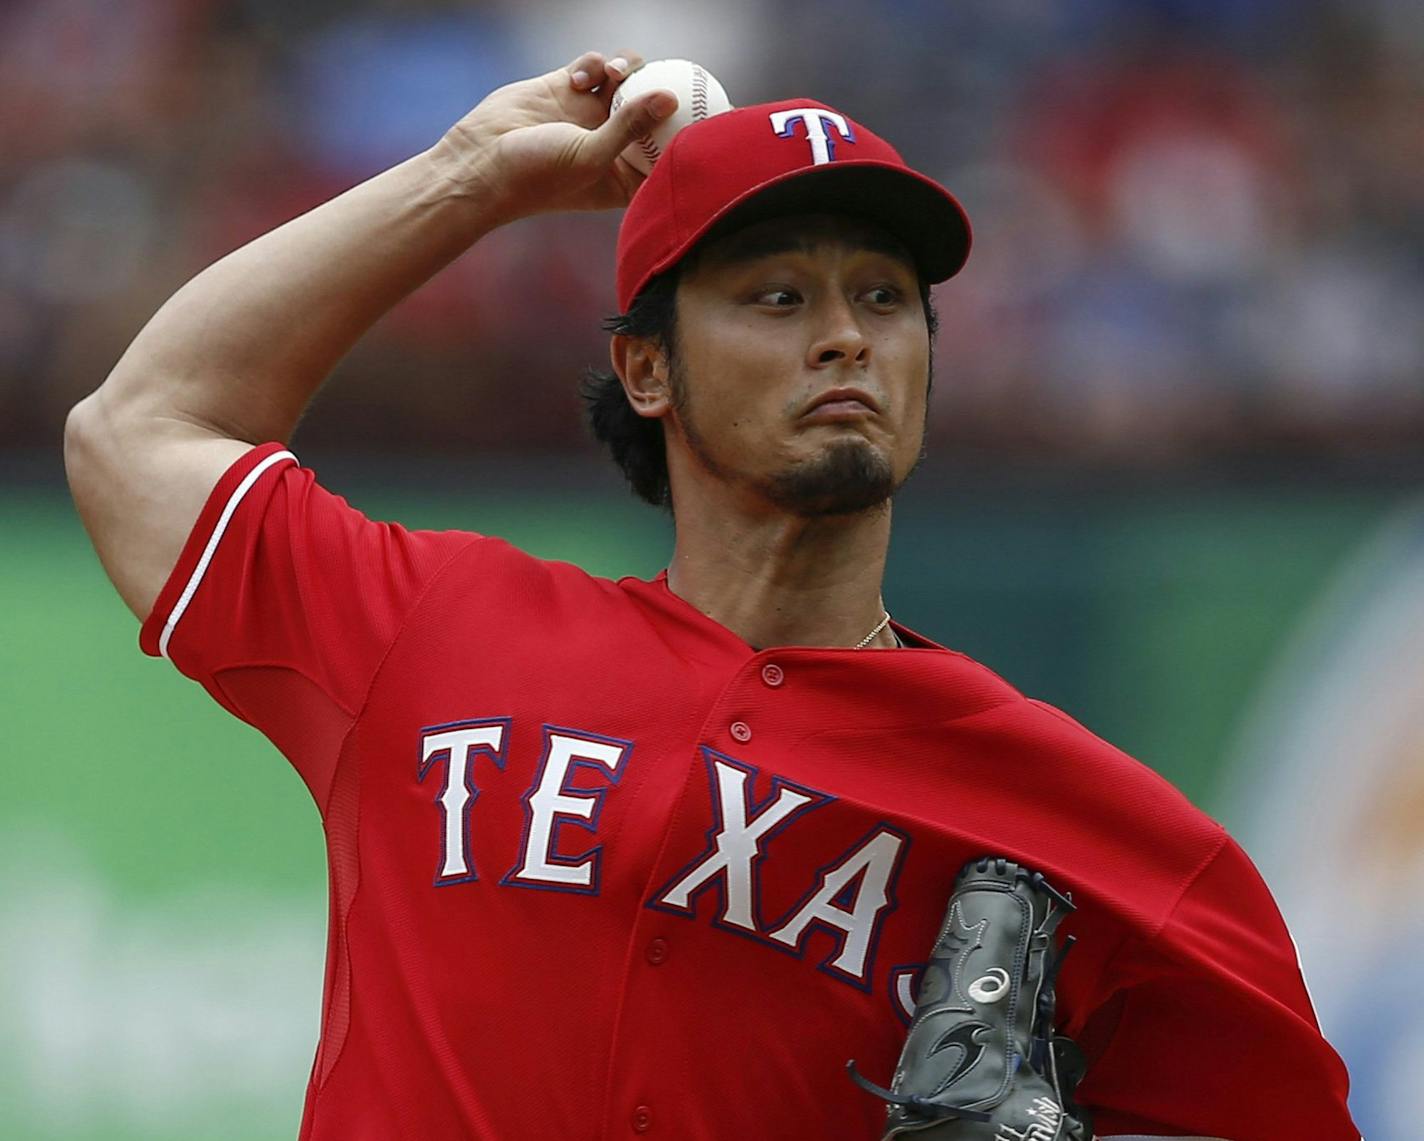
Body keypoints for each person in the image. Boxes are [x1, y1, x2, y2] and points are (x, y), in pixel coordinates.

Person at [65, 49, 1359, 1141]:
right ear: (646, 369)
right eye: (778, 294)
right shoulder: (433, 625)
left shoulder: (1078, 821)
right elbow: (138, 432)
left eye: (887, 299)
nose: (847, 334)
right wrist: (473, 177)